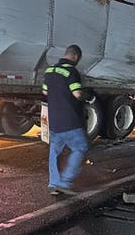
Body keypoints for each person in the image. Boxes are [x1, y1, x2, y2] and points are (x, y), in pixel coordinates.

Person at [42, 45, 89, 195]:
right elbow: (77, 94)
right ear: (75, 56)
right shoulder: (71, 71)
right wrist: (88, 96)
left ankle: (54, 183)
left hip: (54, 120)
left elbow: (45, 91)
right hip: (70, 120)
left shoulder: (49, 70)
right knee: (80, 147)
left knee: (54, 151)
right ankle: (65, 182)